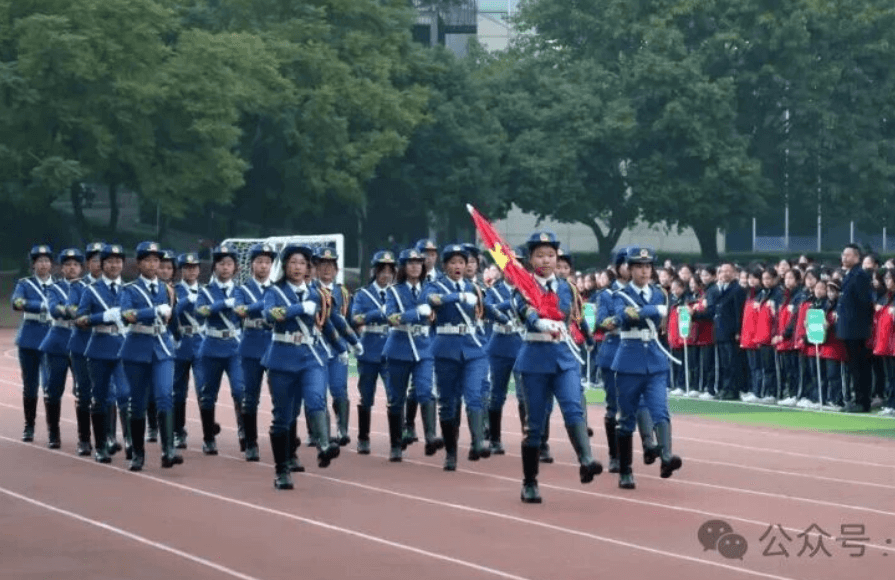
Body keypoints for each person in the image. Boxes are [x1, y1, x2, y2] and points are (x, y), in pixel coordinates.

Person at [512, 232, 601, 503]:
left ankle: (586, 459)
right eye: (540, 255)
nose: (546, 260)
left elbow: (572, 312)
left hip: (563, 358)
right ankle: (530, 483)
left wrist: (587, 336)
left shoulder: (567, 287)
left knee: (573, 406)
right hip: (535, 359)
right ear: (531, 259)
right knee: (535, 425)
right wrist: (538, 322)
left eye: (551, 255)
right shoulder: (523, 287)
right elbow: (522, 310)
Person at [262, 244, 344, 489]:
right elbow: (269, 315)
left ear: (309, 268)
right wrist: (298, 308)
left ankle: (324, 443)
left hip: (311, 357)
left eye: (302, 263)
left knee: (316, 398)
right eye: (293, 262)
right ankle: (282, 470)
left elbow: (325, 322)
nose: (297, 267)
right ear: (285, 266)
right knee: (283, 417)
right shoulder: (274, 291)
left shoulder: (318, 293)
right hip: (282, 358)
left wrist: (342, 349)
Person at [611, 246, 681, 490]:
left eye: (648, 266)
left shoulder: (659, 292)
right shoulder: (619, 294)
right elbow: (625, 316)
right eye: (639, 266)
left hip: (654, 358)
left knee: (660, 410)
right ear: (629, 270)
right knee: (627, 418)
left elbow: (657, 317)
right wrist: (651, 310)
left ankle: (666, 457)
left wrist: (650, 311)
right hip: (629, 359)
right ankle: (626, 470)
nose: (644, 271)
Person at [424, 244, 490, 470]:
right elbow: (431, 300)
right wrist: (458, 296)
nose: (458, 266)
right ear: (445, 266)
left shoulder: (474, 287)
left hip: (472, 348)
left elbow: (485, 308)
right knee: (448, 403)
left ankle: (478, 442)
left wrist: (506, 316)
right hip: (446, 348)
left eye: (462, 262)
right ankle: (451, 453)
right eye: (453, 262)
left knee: (473, 394)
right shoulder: (435, 285)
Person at [119, 241, 182, 470]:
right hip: (137, 347)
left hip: (162, 348)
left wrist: (178, 336)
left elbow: (173, 318)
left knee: (165, 395)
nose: (153, 264)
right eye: (148, 260)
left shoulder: (168, 289)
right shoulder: (129, 289)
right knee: (137, 403)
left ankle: (168, 451)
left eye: (157, 260)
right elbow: (127, 315)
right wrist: (153, 311)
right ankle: (138, 453)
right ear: (139, 263)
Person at [382, 248, 440, 461]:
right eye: (410, 262)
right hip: (399, 347)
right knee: (396, 398)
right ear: (403, 267)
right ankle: (395, 444)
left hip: (424, 347)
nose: (415, 266)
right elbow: (391, 317)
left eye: (418, 262)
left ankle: (431, 436)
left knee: (426, 390)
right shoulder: (394, 291)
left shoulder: (431, 288)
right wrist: (415, 313)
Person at [74, 244, 128, 463]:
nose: (114, 265)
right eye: (109, 262)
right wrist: (102, 317)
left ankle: (131, 443)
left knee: (125, 394)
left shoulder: (130, 289)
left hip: (124, 346)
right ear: (102, 265)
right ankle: (100, 446)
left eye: (118, 261)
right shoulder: (91, 290)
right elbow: (79, 319)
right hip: (98, 347)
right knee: (100, 397)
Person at [195, 244, 246, 454]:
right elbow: (201, 312)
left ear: (235, 268)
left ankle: (245, 433)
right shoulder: (206, 291)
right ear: (214, 267)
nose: (225, 268)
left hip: (234, 346)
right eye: (221, 264)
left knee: (240, 390)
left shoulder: (242, 291)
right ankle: (208, 438)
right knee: (208, 394)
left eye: (229, 264)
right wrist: (224, 304)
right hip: (211, 346)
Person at [312, 246, 362, 448]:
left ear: (336, 269)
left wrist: (354, 341)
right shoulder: (310, 290)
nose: (326, 270)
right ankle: (317, 432)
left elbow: (347, 319)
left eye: (330, 266)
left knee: (339, 389)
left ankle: (342, 430)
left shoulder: (342, 292)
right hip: (316, 347)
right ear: (315, 268)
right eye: (322, 265)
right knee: (317, 392)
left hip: (337, 348)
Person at [233, 243, 276, 461]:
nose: (263, 266)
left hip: (274, 345)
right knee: (250, 396)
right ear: (251, 265)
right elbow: (239, 311)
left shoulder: (278, 288)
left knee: (280, 395)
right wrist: (263, 305)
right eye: (259, 262)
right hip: (251, 346)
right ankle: (251, 442)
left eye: (267, 262)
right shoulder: (242, 289)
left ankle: (282, 437)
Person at [351, 250, 396, 454]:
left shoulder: (397, 293)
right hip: (369, 349)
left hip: (391, 349)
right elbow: (356, 318)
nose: (386, 275)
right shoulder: (363, 294)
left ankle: (396, 442)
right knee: (366, 396)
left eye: (389, 270)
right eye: (382, 270)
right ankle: (363, 438)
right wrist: (379, 312)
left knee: (394, 396)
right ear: (374, 271)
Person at [38, 248, 83, 448]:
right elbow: (55, 309)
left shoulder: (88, 288)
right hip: (58, 341)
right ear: (61, 268)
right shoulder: (54, 288)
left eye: (75, 264)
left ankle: (84, 437)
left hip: (81, 342)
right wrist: (72, 311)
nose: (71, 268)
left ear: (81, 268)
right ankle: (53, 433)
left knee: (83, 390)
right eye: (67, 265)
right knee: (54, 389)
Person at [11, 245, 54, 442]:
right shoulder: (25, 284)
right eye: (40, 261)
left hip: (51, 338)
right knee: (30, 385)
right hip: (29, 338)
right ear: (33, 264)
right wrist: (40, 306)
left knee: (50, 385)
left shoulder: (58, 285)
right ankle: (29, 426)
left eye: (46, 261)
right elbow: (17, 302)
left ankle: (53, 428)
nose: (44, 264)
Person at [483, 264, 523, 456]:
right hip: (499, 344)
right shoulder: (494, 290)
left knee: (525, 395)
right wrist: (510, 304)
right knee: (497, 393)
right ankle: (495, 439)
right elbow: (487, 309)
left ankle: (530, 438)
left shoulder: (527, 289)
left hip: (521, 343)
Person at [172, 252, 204, 449]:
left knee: (204, 389)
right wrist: (186, 301)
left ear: (199, 270)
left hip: (201, 342)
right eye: (187, 267)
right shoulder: (173, 290)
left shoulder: (207, 290)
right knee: (178, 391)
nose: (191, 271)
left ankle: (208, 431)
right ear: (181, 270)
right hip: (180, 342)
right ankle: (178, 430)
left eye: (194, 267)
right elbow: (171, 312)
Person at [837, 244, 874, 412]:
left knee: (860, 367)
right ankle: (856, 399)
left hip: (857, 329)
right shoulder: (849, 275)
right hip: (849, 329)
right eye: (843, 255)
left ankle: (863, 401)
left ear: (857, 257)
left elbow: (865, 302)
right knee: (853, 367)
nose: (844, 258)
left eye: (848, 255)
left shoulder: (860, 275)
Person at [701, 263, 746, 400]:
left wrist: (738, 331)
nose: (724, 274)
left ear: (734, 273)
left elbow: (739, 312)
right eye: (722, 271)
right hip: (719, 331)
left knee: (732, 363)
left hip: (731, 331)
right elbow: (712, 311)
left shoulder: (737, 289)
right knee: (723, 363)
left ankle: (733, 389)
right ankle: (724, 388)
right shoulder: (716, 290)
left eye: (728, 271)